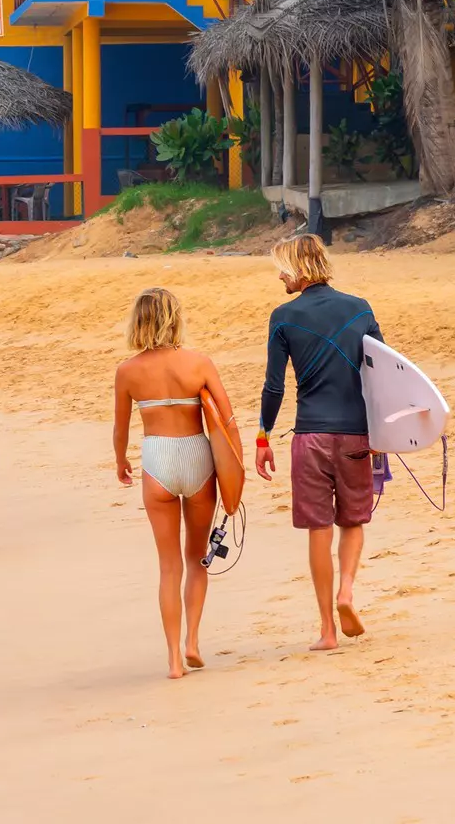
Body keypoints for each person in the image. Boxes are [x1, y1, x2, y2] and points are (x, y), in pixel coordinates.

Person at [255, 234, 383, 652]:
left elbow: (274, 386)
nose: (279, 276)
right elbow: (382, 374)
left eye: (282, 268)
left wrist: (263, 436)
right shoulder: (359, 308)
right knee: (353, 522)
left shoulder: (283, 316)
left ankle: (327, 630)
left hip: (309, 436)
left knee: (318, 530)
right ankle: (347, 590)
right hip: (355, 434)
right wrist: (383, 432)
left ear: (296, 270)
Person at [111, 287, 236, 680]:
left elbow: (120, 428)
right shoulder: (198, 363)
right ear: (175, 318)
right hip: (196, 456)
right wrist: (235, 471)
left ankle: (172, 661)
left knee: (168, 567)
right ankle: (193, 642)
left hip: (157, 459)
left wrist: (121, 461)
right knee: (196, 558)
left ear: (139, 321)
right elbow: (227, 421)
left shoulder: (128, 371)